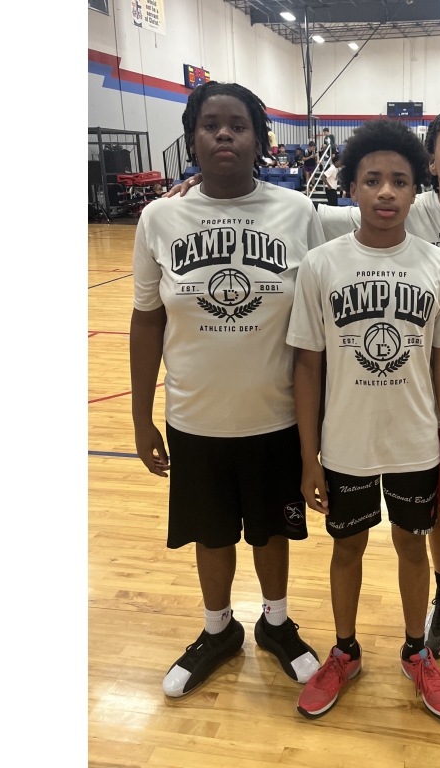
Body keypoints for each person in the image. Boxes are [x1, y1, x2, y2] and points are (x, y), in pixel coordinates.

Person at [164, 105, 440, 671]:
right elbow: (312, 210)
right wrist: (203, 192)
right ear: (432, 161)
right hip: (415, 411)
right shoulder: (403, 207)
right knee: (436, 521)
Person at [130, 81, 324, 700]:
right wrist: (140, 417)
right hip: (194, 416)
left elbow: (320, 318)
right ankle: (218, 631)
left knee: (271, 531)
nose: (223, 134)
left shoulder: (298, 212)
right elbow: (146, 321)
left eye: (237, 125)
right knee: (210, 533)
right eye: (209, 124)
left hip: (276, 416)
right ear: (191, 137)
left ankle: (275, 624)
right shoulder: (159, 218)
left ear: (259, 139)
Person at [289, 119, 440, 721]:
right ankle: (344, 651)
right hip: (345, 442)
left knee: (411, 546)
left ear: (417, 188)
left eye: (400, 180)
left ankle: (416, 652)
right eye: (372, 180)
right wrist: (308, 457)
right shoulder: (321, 265)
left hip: (415, 443)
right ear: (351, 187)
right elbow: (307, 367)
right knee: (346, 548)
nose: (387, 192)